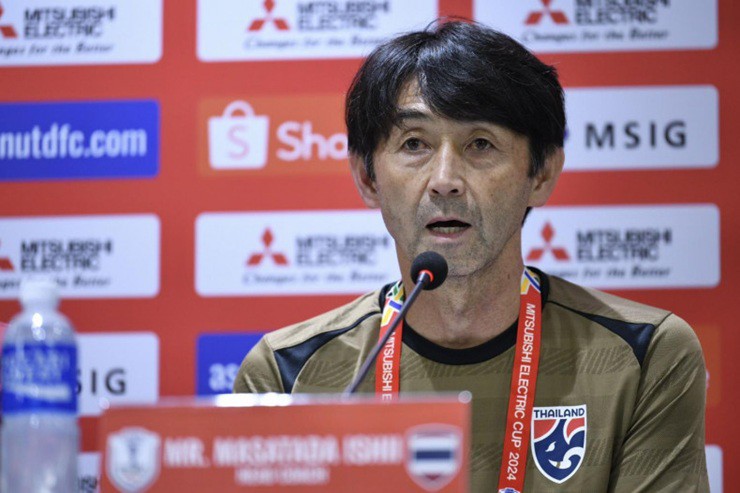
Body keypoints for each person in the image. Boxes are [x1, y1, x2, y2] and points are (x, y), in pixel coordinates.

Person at [234, 20, 708, 492]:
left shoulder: (645, 353)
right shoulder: (286, 373)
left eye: (480, 144)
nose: (445, 180)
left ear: (541, 174)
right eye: (414, 144)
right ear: (367, 178)